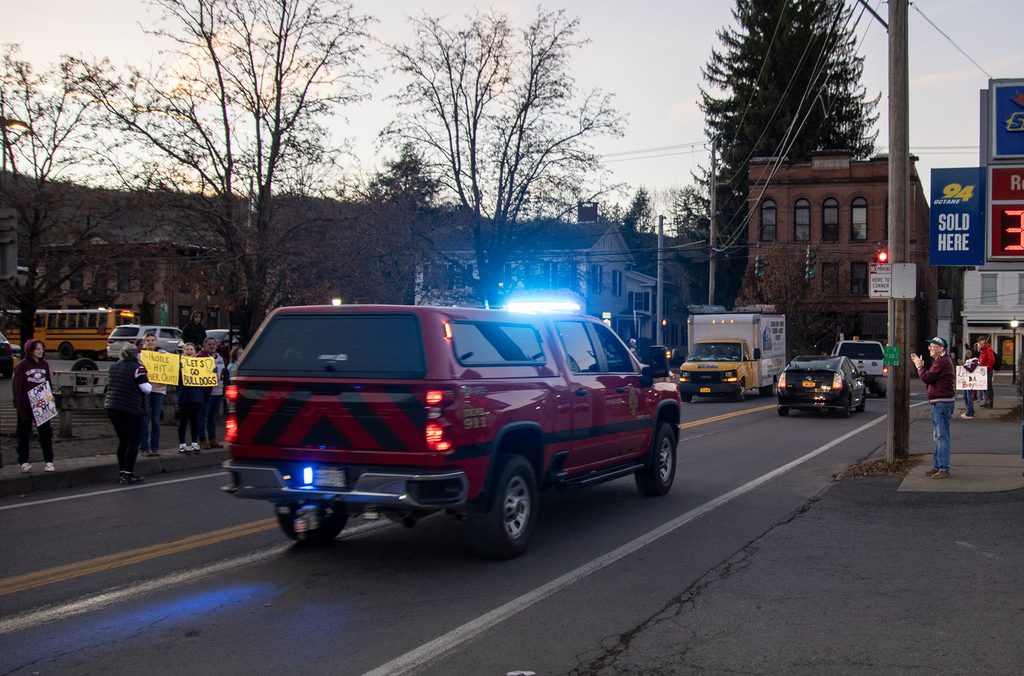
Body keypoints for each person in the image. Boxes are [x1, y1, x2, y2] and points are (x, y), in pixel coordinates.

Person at [105, 344, 152, 484]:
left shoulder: (113, 367)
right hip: (130, 408)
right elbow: (146, 389)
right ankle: (129, 474)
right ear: (135, 355)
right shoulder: (138, 368)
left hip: (112, 407)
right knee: (133, 442)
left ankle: (121, 473)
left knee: (123, 441)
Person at [911, 336, 956, 479]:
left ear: (942, 348)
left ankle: (943, 468)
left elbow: (926, 377)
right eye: (930, 346)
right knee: (939, 435)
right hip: (941, 402)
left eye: (934, 346)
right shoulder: (942, 361)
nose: (930, 348)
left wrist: (919, 365)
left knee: (942, 436)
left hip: (941, 403)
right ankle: (938, 466)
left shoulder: (941, 362)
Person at [12, 339, 55, 473]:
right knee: (24, 433)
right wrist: (20, 406)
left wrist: (50, 397)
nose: (40, 351)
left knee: (46, 433)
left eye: (42, 348)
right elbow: (17, 387)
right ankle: (24, 461)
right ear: (30, 351)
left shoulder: (44, 365)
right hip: (26, 404)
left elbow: (48, 382)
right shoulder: (22, 366)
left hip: (41, 405)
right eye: (37, 349)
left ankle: (49, 461)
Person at [139, 332, 168, 457]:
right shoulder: (140, 356)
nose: (150, 342)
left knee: (155, 420)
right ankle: (144, 448)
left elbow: (171, 364)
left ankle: (155, 447)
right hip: (146, 390)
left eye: (152, 340)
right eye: (148, 340)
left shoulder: (162, 354)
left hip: (159, 389)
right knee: (145, 419)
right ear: (144, 342)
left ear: (156, 342)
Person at [197, 336, 226, 449]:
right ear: (204, 346)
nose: (212, 346)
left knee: (213, 417)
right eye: (209, 344)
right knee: (202, 417)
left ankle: (212, 439)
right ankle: (202, 440)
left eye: (213, 344)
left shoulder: (220, 357)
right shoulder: (201, 357)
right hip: (206, 393)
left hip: (218, 392)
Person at [177, 342, 203, 454]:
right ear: (183, 352)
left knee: (195, 420)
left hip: (196, 395)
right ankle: (182, 444)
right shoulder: (179, 364)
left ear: (195, 352)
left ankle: (194, 443)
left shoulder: (201, 364)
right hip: (184, 395)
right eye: (186, 349)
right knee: (183, 420)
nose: (189, 351)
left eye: (191, 349)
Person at [957, 348, 979, 419]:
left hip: (971, 380)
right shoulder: (967, 360)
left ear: (972, 353)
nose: (968, 354)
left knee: (969, 396)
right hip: (965, 380)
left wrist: (963, 365)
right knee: (965, 396)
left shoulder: (975, 360)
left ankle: (970, 412)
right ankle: (970, 410)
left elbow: (971, 370)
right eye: (967, 352)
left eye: (969, 352)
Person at [978, 339, 996, 408]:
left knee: (988, 387)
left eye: (980, 340)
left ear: (984, 341)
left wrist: (987, 368)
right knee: (984, 387)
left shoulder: (988, 349)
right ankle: (987, 401)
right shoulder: (982, 350)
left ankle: (990, 402)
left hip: (987, 371)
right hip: (983, 371)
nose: (979, 342)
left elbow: (992, 360)